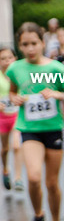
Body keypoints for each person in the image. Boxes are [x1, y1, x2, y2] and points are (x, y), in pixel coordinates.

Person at [7, 23, 64, 221]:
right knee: (34, 177)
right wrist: (14, 98)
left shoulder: (56, 68)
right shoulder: (15, 69)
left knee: (51, 183)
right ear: (19, 46)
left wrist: (58, 94)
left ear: (42, 43)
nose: (30, 49)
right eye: (25, 45)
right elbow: (12, 90)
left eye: (34, 43)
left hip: (53, 129)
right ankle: (38, 216)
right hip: (29, 130)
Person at [0, 46, 24, 191]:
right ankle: (6, 170)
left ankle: (18, 178)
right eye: (3, 59)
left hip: (17, 115)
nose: (7, 61)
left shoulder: (19, 74)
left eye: (9, 58)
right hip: (2, 118)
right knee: (5, 149)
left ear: (15, 58)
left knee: (16, 145)